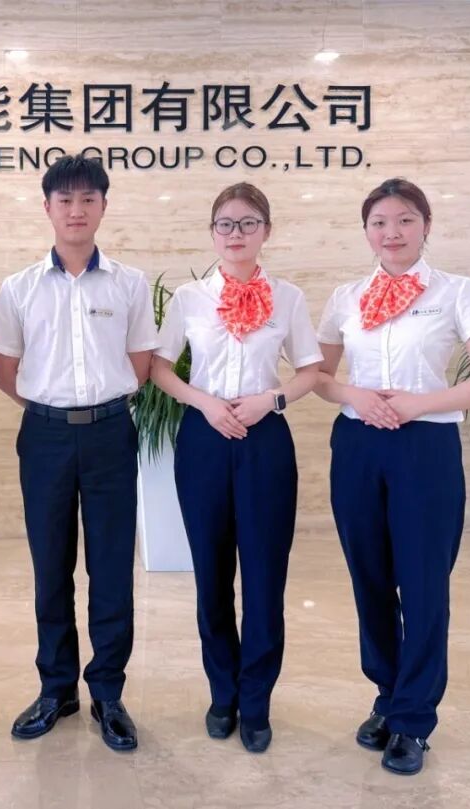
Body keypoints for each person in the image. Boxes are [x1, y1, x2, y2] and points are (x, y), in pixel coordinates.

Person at [314, 177, 470, 775]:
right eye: (379, 222)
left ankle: (415, 719)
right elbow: (320, 378)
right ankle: (388, 696)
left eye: (404, 220)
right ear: (366, 231)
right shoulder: (347, 296)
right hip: (357, 444)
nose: (391, 232)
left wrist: (417, 404)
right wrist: (358, 396)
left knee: (423, 584)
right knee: (369, 578)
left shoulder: (456, 291)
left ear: (426, 225)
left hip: (425, 446)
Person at [0, 155, 158, 752]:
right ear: (48, 208)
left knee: (110, 567)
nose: (76, 210)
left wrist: (93, 407)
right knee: (50, 565)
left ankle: (107, 692)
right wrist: (53, 409)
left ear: (103, 207)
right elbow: (5, 371)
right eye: (65, 200)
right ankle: (56, 687)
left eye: (88, 198)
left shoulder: (129, 283)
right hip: (45, 437)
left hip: (111, 432)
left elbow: (140, 365)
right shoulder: (19, 287)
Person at [150, 182, 321, 753]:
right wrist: (204, 403)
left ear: (266, 231)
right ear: (212, 233)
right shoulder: (189, 297)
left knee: (266, 574)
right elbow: (159, 368)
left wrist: (271, 400)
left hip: (265, 437)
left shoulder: (288, 297)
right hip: (204, 435)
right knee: (212, 570)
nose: (235, 234)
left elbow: (310, 371)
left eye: (248, 223)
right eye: (225, 224)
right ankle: (222, 691)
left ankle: (257, 699)